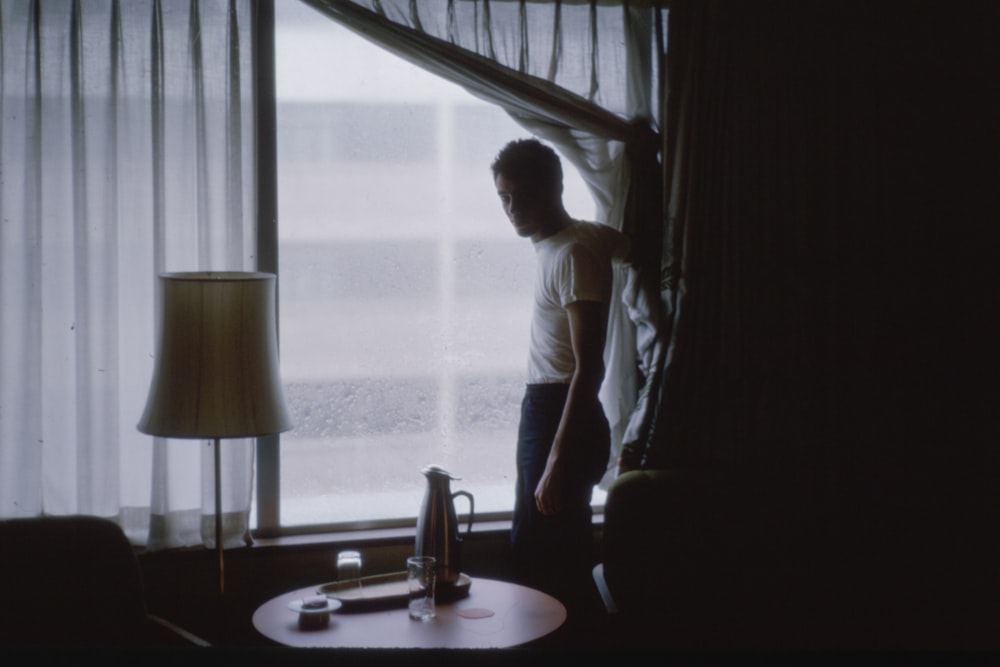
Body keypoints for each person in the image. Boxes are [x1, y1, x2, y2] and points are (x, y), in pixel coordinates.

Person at [490, 138, 627, 615]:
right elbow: (632, 242)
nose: (512, 209)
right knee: (548, 555)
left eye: (522, 196)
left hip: (560, 413)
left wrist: (556, 460)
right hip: (549, 409)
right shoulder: (579, 239)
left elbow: (589, 367)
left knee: (543, 563)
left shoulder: (572, 253)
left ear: (554, 190)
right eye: (504, 198)